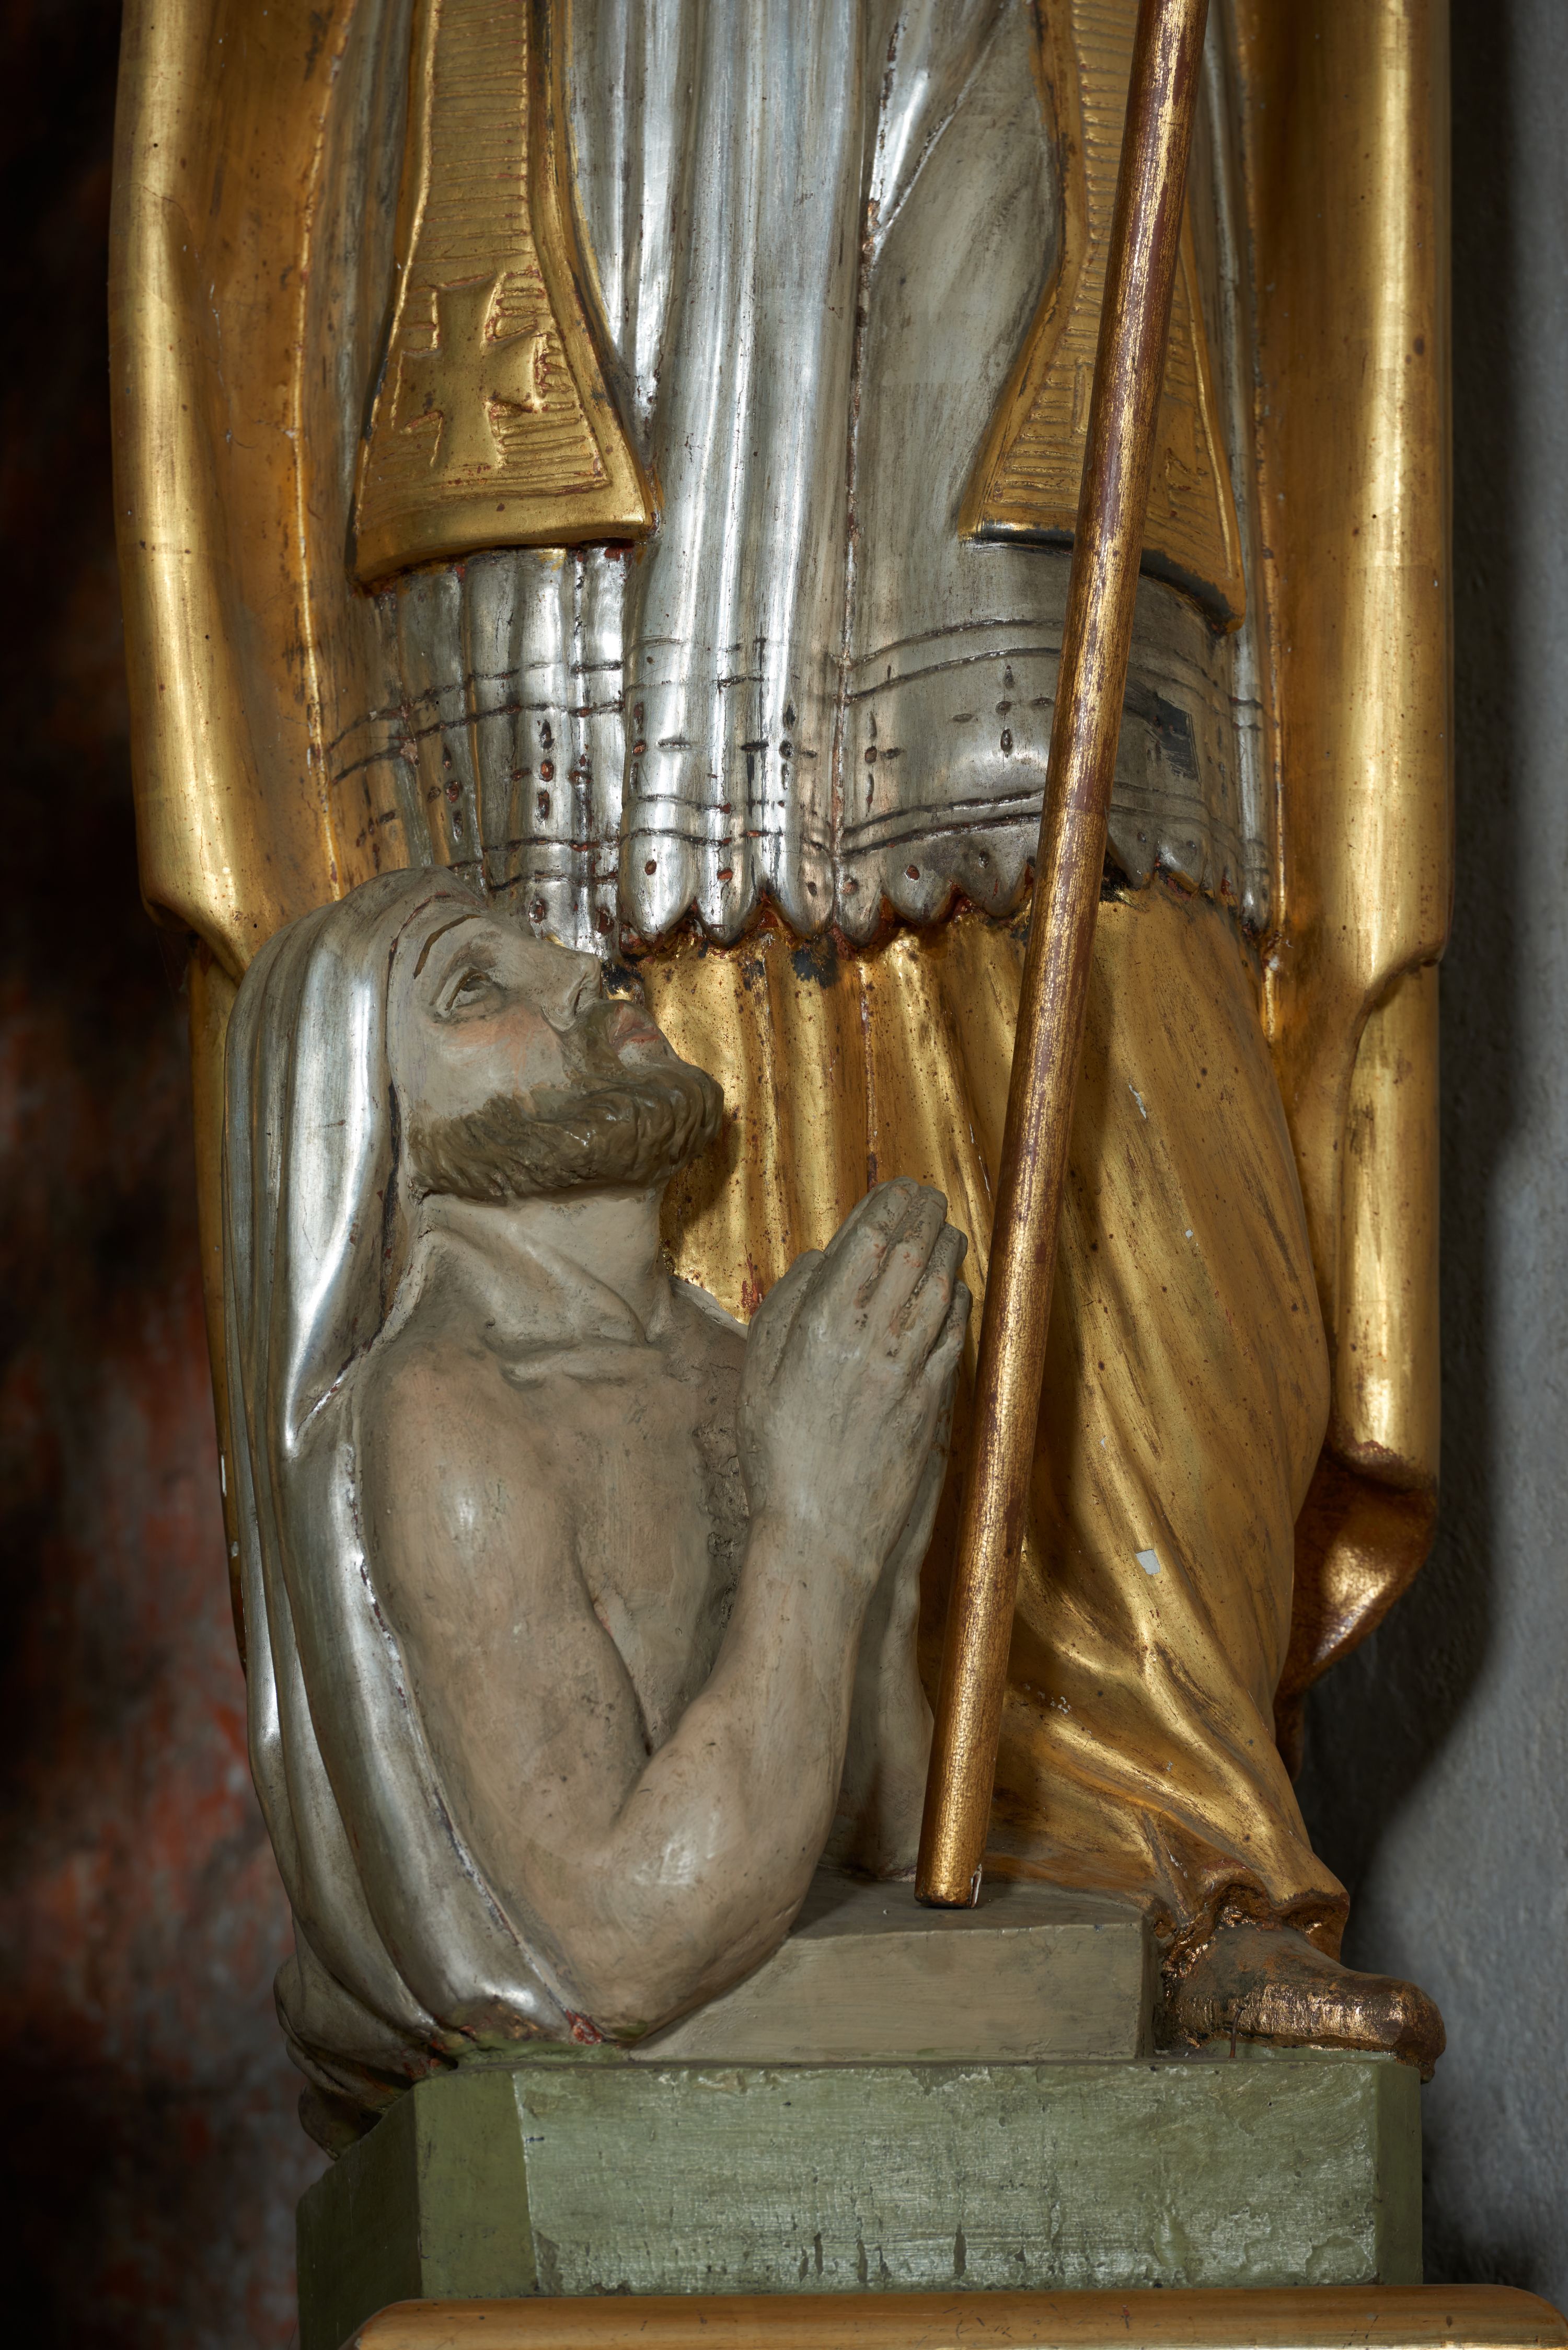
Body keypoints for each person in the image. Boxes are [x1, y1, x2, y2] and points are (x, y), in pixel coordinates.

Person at [224, 868, 967, 2150]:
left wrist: (885, 1529)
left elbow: (885, 1839)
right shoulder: (449, 1415)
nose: (584, 975)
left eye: (544, 953)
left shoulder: (735, 1367)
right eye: (476, 989)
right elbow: (621, 1943)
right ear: (385, 1132)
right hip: (660, 2152)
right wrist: (824, 1529)